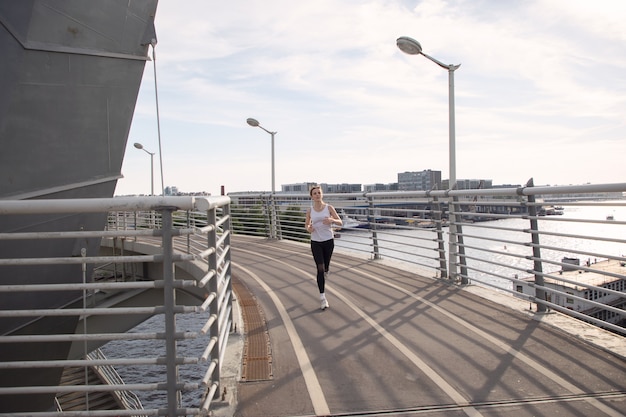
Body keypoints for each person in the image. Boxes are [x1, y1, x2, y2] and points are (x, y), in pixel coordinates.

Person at [305, 185, 342, 310]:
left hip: (328, 241)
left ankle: (326, 270)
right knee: (319, 269)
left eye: (319, 193)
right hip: (316, 242)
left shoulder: (329, 208)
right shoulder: (310, 210)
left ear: (322, 194)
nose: (317, 195)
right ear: (311, 196)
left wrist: (331, 220)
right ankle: (322, 298)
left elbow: (340, 222)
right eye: (314, 193)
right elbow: (307, 226)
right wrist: (309, 228)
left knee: (325, 267)